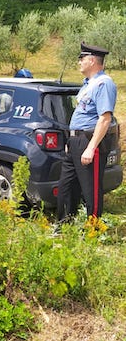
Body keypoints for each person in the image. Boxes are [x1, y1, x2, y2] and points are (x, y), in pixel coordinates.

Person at [57, 42, 117, 222]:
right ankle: (64, 224)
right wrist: (71, 141)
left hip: (90, 141)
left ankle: (93, 227)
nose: (79, 62)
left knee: (91, 188)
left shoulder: (103, 84)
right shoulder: (88, 84)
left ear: (92, 60)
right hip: (76, 141)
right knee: (66, 186)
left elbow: (104, 118)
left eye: (81, 59)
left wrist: (91, 148)